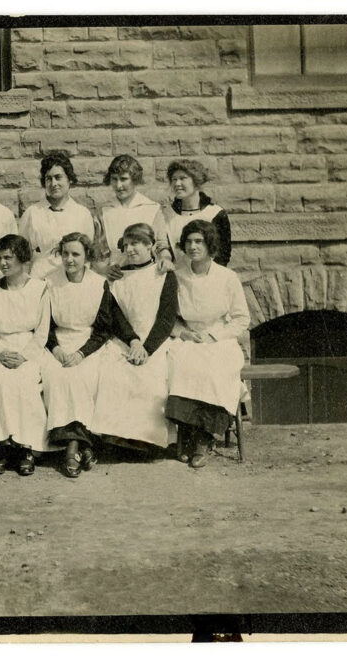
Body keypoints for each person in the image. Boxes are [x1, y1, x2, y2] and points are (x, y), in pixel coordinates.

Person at [165, 220, 250, 468]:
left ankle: (203, 438)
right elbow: (167, 318)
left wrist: (215, 336)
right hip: (189, 337)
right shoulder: (177, 277)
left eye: (199, 241)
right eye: (189, 241)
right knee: (180, 365)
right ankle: (187, 433)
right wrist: (183, 333)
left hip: (219, 339)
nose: (193, 246)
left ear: (209, 244)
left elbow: (241, 318)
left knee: (215, 369)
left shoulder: (227, 277)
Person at [89, 223, 179, 457]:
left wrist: (147, 348)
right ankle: (117, 437)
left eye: (136, 243)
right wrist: (133, 342)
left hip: (155, 341)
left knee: (152, 377)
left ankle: (147, 442)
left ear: (150, 246)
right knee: (114, 372)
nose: (129, 249)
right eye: (126, 245)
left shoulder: (164, 275)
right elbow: (115, 315)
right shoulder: (117, 278)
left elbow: (166, 318)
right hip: (125, 339)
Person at [0, 234, 51, 476]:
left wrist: (24, 356)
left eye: (8, 258)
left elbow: (42, 332)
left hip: (29, 348)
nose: (3, 263)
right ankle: (1, 447)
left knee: (24, 384)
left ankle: (25, 448)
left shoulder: (40, 288)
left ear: (22, 259)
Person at [41, 233, 109, 478]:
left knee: (83, 377)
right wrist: (56, 349)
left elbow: (103, 328)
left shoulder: (99, 283)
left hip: (88, 344)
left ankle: (72, 447)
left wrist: (82, 353)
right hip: (56, 344)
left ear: (86, 257)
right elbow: (43, 324)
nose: (69, 259)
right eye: (66, 254)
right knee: (57, 378)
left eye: (76, 254)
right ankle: (82, 446)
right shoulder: (49, 282)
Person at [19, 151, 96, 278]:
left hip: (72, 280)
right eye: (48, 179)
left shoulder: (82, 214)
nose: (54, 184)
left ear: (69, 179)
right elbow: (21, 256)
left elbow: (87, 256)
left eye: (58, 177)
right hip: (41, 279)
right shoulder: (32, 213)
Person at [95, 155, 166, 281]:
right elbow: (98, 253)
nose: (118, 185)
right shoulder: (104, 211)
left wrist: (165, 259)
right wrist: (105, 269)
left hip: (148, 276)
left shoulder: (152, 208)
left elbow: (161, 245)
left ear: (134, 179)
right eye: (114, 179)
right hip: (116, 278)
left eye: (123, 179)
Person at [156, 160, 232, 269]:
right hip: (176, 276)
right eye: (174, 179)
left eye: (183, 178)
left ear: (196, 181)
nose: (177, 184)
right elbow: (162, 246)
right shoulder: (166, 213)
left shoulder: (215, 213)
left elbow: (222, 255)